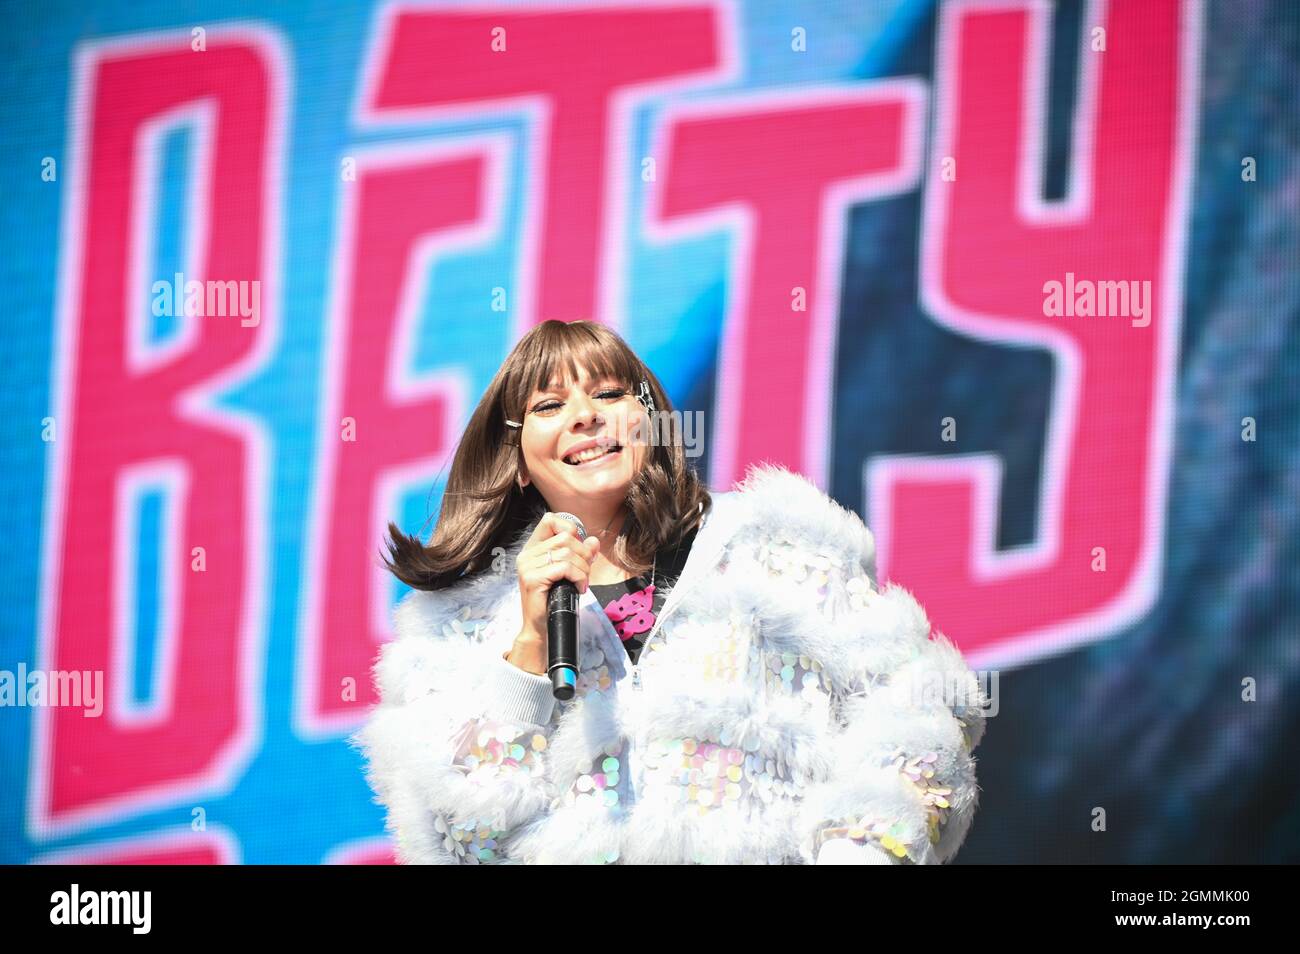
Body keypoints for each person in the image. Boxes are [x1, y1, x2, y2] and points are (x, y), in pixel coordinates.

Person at [352, 319, 986, 864]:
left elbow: (920, 710)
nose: (584, 416)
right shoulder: (457, 636)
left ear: (648, 420)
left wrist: (862, 850)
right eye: (549, 406)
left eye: (607, 393)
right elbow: (459, 838)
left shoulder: (777, 551)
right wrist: (527, 651)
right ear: (517, 458)